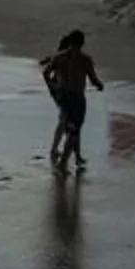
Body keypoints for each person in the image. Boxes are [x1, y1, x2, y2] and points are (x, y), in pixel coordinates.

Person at [40, 30, 103, 171]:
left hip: (63, 96)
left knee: (70, 127)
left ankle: (66, 157)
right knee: (74, 130)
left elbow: (45, 73)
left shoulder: (59, 57)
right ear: (82, 43)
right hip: (77, 98)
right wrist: (100, 86)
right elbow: (93, 80)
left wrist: (53, 87)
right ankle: (64, 162)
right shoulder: (85, 59)